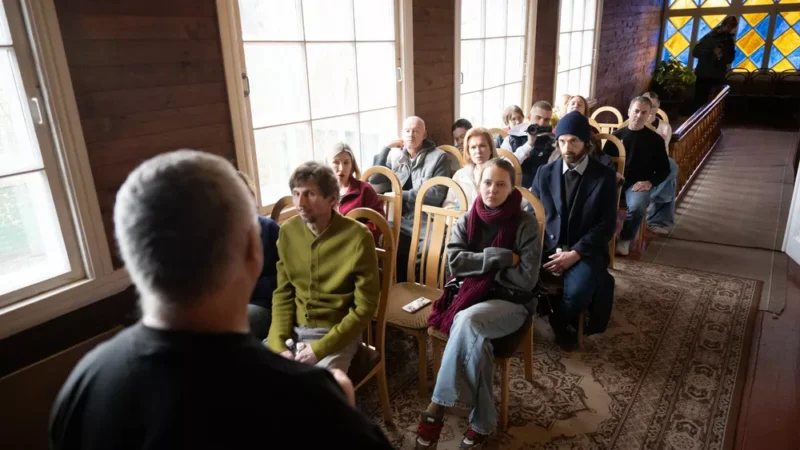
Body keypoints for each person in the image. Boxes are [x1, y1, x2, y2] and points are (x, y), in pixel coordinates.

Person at [49, 150, 393, 449]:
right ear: (253, 249)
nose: (302, 204)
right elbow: (283, 295)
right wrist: (338, 408)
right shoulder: (312, 402)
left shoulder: (83, 384)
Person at [415, 158, 541, 449]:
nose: (492, 190)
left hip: (512, 303)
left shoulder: (525, 223)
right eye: (487, 182)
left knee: (467, 321)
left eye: (500, 185)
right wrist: (500, 259)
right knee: (477, 341)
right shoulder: (466, 219)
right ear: (478, 183)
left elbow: (524, 280)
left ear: (512, 189)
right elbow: (455, 263)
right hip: (474, 299)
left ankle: (438, 406)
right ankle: (482, 424)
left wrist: (480, 268)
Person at [267, 161, 380, 372]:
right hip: (294, 329)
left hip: (336, 333)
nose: (300, 202)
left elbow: (365, 307)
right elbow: (282, 293)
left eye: (310, 194)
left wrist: (319, 349)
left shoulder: (358, 237)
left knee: (316, 394)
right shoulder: (287, 232)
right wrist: (278, 343)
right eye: (295, 193)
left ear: (332, 199)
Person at [531, 112, 617, 350]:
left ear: (586, 144)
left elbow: (607, 225)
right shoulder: (544, 173)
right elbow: (533, 213)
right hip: (547, 246)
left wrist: (575, 254)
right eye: (562, 141)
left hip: (584, 250)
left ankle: (559, 321)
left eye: (573, 141)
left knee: (579, 292)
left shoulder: (604, 177)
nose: (567, 147)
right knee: (511, 273)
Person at [377, 116, 450, 281]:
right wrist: (385, 149)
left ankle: (420, 288)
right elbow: (375, 179)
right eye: (407, 131)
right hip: (399, 217)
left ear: (424, 135)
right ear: (402, 134)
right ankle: (394, 286)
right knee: (384, 239)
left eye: (416, 131)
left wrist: (400, 195)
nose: (411, 135)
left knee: (431, 248)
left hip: (426, 218)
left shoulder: (439, 157)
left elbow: (436, 195)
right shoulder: (395, 156)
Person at [603, 97, 670, 256]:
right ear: (629, 112)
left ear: (649, 115)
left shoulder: (655, 140)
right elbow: (603, 161)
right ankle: (600, 238)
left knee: (638, 206)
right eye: (636, 111)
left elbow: (664, 169)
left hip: (638, 184)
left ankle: (625, 238)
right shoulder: (616, 136)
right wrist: (613, 173)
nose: (639, 115)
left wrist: (649, 182)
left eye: (644, 112)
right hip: (615, 180)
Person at [237, 171, 280, 341]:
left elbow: (286, 279)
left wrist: (248, 286)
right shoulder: (221, 235)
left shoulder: (269, 228)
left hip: (263, 304)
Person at [327, 142, 385, 242]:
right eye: (336, 162)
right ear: (327, 165)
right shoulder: (322, 192)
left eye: (346, 162)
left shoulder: (365, 190)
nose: (341, 168)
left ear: (352, 166)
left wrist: (353, 234)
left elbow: (378, 223)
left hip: (359, 246)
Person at [642, 92, 679, 235]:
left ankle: (649, 197)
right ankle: (656, 220)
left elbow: (663, 152)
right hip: (637, 162)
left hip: (656, 161)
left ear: (658, 108)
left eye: (654, 106)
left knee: (670, 170)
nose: (650, 110)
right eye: (648, 105)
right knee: (672, 171)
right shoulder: (635, 120)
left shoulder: (664, 127)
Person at [501, 101, 555, 188]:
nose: (541, 123)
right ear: (530, 117)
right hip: (515, 191)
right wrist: (528, 145)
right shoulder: (511, 139)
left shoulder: (554, 143)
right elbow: (504, 167)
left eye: (546, 120)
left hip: (542, 191)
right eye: (538, 118)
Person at [444, 127, 498, 211]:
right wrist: (453, 216)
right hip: (462, 222)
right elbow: (448, 203)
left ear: (491, 149)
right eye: (473, 147)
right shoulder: (460, 174)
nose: (478, 151)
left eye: (482, 146)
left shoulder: (501, 174)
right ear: (468, 151)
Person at [692, 16, 737, 111]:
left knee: (715, 104)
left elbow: (730, 58)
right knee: (700, 102)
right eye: (729, 27)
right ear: (724, 25)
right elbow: (695, 52)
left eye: (732, 28)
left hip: (717, 75)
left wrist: (722, 54)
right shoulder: (709, 37)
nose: (729, 30)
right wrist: (712, 52)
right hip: (704, 74)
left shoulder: (728, 41)